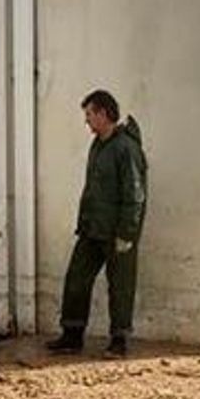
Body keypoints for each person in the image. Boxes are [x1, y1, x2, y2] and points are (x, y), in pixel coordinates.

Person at [48, 89, 148, 358]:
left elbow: (135, 194)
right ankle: (72, 335)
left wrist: (127, 233)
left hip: (117, 233)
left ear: (104, 113)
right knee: (76, 279)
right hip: (92, 228)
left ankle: (119, 340)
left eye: (90, 114)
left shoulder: (126, 148)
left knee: (120, 286)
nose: (87, 121)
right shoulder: (99, 144)